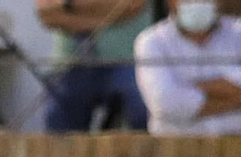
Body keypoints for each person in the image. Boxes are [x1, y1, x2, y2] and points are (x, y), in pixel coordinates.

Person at [133, 0, 241, 135]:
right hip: (175, 148)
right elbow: (167, 104)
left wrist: (193, 86)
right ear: (170, 1)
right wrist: (237, 98)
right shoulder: (150, 41)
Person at [35, 0, 153, 133]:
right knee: (56, 122)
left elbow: (134, 5)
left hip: (128, 60)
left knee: (145, 113)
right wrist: (107, 12)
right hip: (70, 64)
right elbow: (45, 13)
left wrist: (69, 7)